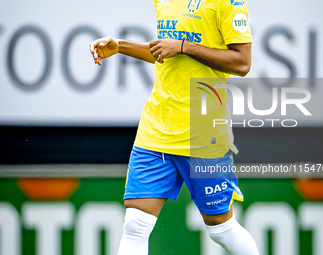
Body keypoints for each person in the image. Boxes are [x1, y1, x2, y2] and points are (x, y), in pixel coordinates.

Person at [90, 0, 259, 254]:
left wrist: (183, 46)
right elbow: (166, 53)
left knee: (221, 229)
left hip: (204, 132)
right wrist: (120, 46)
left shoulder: (228, 2)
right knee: (135, 225)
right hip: (157, 128)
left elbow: (242, 63)